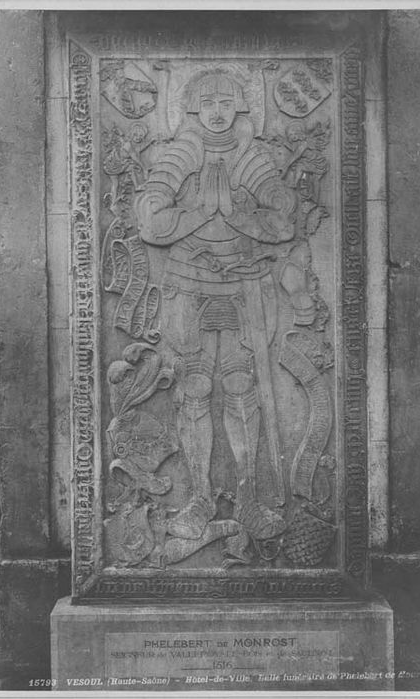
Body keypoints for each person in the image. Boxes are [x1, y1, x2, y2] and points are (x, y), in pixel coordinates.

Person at [135, 70, 296, 542]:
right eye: (209, 103)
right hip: (189, 283)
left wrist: (243, 212)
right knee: (195, 387)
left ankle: (247, 498)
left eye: (227, 102)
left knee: (242, 385)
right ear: (193, 108)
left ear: (241, 106)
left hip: (245, 284)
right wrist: (203, 211)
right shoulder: (181, 153)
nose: (218, 112)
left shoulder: (249, 155)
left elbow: (284, 216)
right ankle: (200, 498)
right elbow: (150, 220)